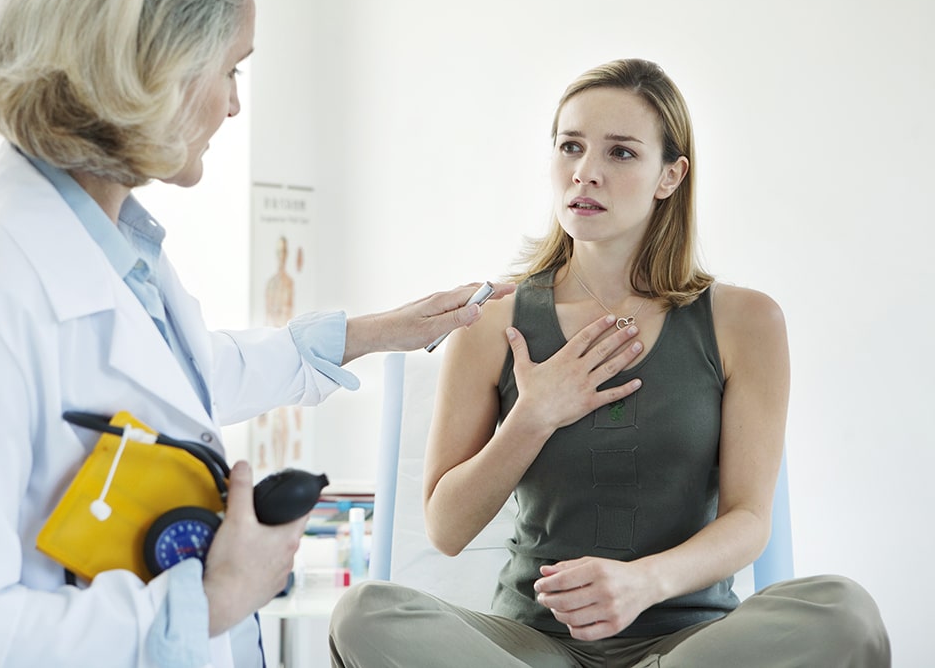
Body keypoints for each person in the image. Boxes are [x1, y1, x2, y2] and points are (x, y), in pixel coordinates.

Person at [0, 0, 511, 666]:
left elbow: (183, 380)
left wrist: (373, 332)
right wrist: (209, 601)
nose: (234, 104)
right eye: (231, 70)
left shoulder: (118, 250)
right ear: (150, 72)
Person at [329, 58, 891, 667]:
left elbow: (750, 518)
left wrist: (643, 583)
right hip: (531, 649)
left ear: (669, 176)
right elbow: (446, 528)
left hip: (690, 647)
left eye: (620, 153)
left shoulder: (746, 322)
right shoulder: (490, 321)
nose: (585, 172)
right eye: (570, 146)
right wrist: (534, 415)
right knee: (365, 614)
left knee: (843, 610)